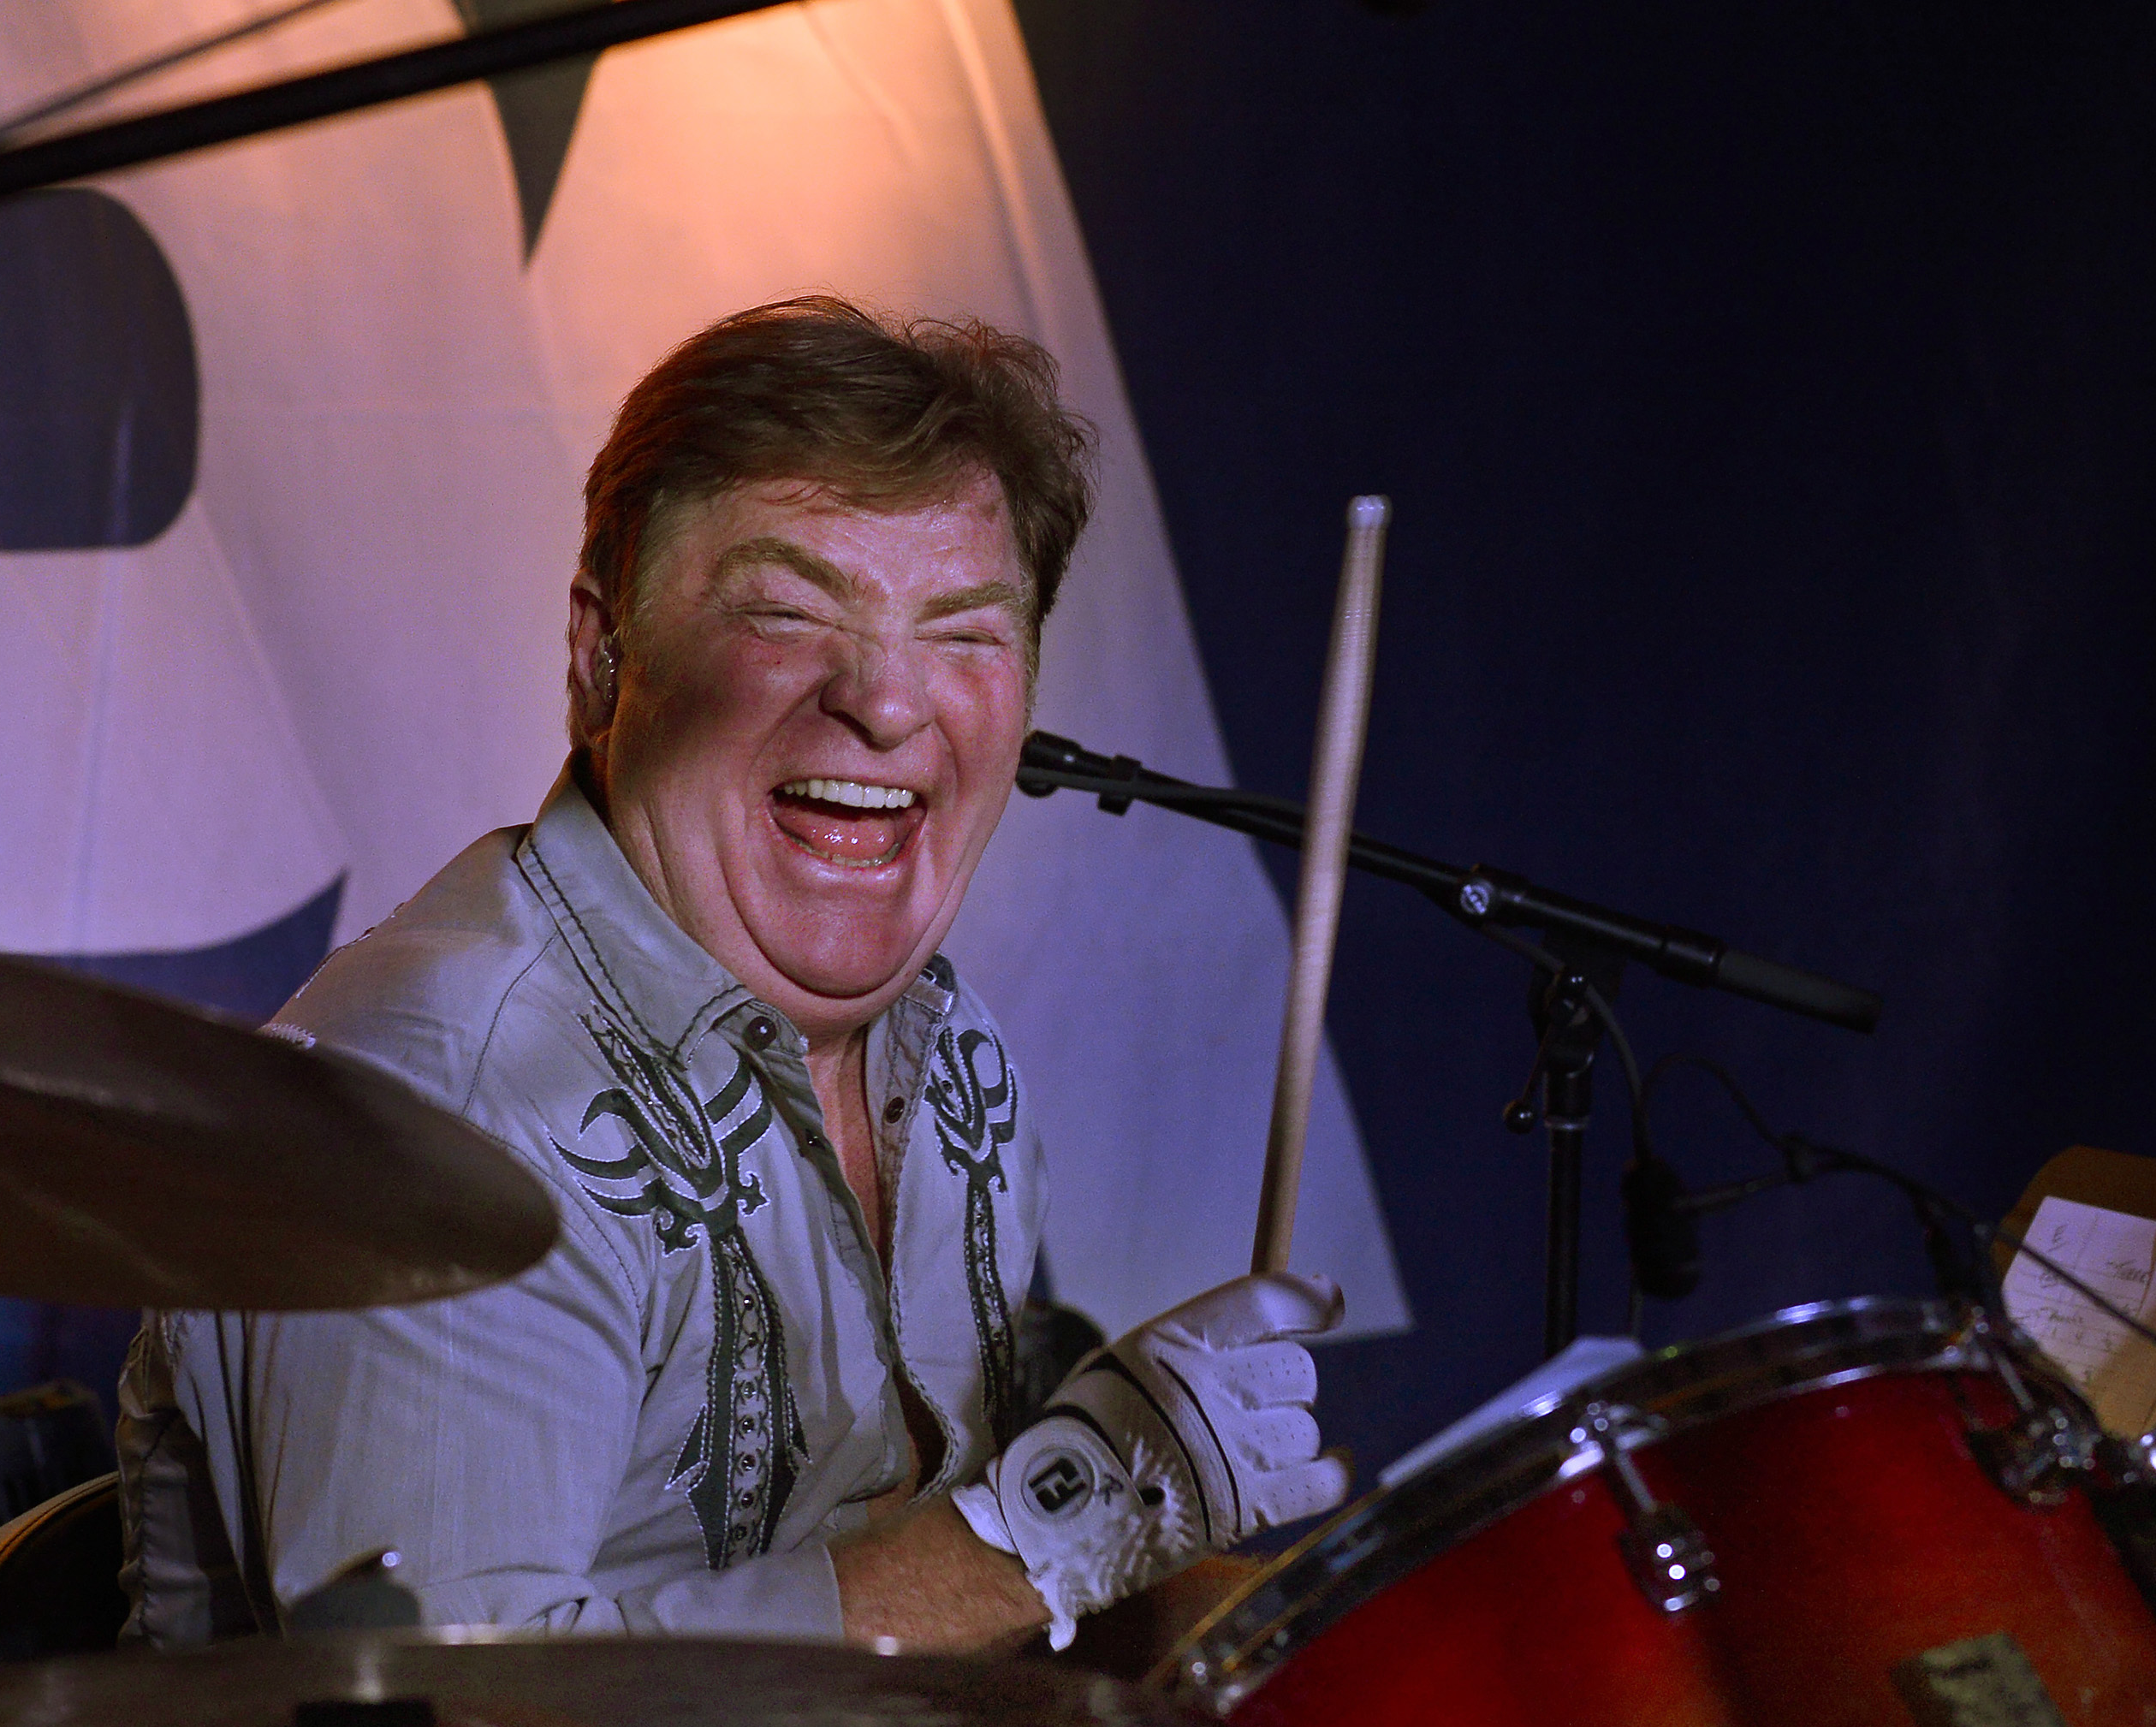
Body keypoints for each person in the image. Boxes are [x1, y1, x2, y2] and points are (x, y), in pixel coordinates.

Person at [119, 297, 1348, 1653]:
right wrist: (1047, 1533)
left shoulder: (945, 1058)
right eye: (783, 610)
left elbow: (946, 1618)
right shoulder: (434, 1119)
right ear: (601, 660)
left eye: (965, 632)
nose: (886, 702)